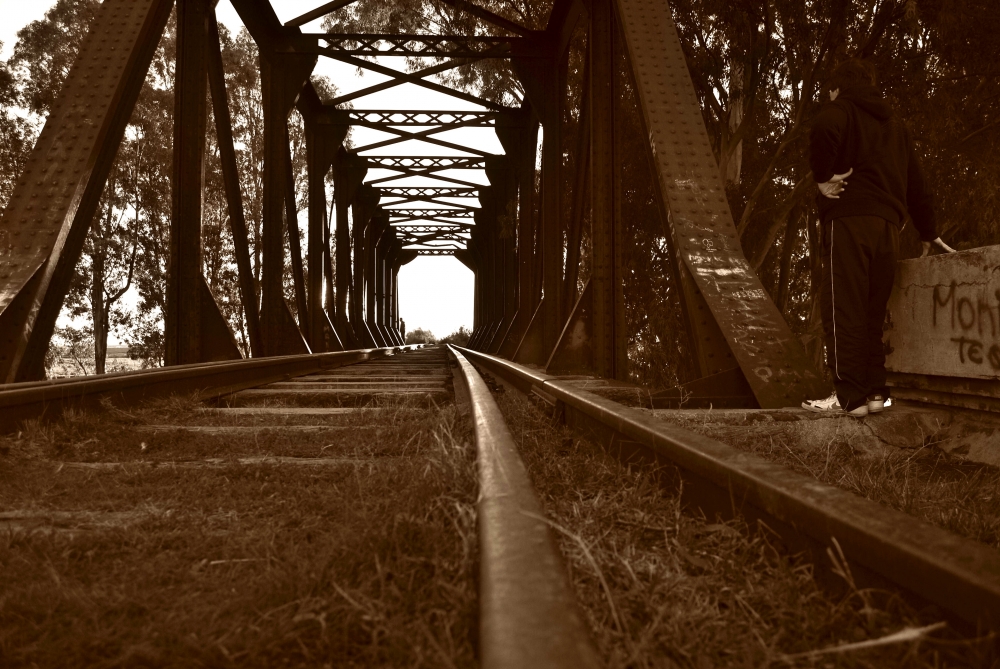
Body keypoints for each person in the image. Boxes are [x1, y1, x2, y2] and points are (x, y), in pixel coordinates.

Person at [802, 58, 955, 417]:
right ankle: (874, 392)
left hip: (850, 220)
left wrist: (822, 178)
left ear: (838, 87)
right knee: (872, 313)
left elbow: (824, 126)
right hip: (889, 228)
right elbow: (917, 182)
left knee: (843, 308)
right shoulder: (894, 124)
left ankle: (848, 397)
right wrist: (928, 231)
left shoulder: (841, 109)